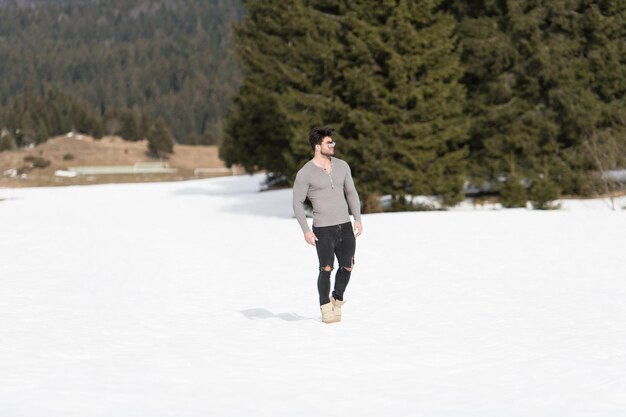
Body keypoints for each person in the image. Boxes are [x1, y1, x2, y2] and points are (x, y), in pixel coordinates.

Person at [293, 126, 363, 323]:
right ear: (317, 146)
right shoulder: (305, 173)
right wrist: (305, 230)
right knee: (326, 268)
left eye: (332, 142)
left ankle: (337, 299)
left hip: (345, 225)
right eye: (328, 143)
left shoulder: (342, 166)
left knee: (348, 266)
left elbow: (351, 193)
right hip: (323, 229)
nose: (332, 145)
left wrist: (357, 218)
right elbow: (297, 202)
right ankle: (325, 307)